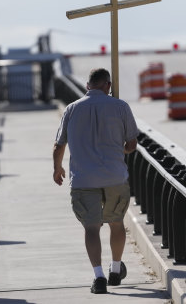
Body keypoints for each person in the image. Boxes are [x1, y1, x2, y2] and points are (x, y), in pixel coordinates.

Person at [53, 68, 138, 294]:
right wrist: (115, 151)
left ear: (88, 86)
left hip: (83, 178)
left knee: (91, 228)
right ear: (107, 85)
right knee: (116, 223)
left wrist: (57, 168)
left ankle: (99, 277)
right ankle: (116, 269)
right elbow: (131, 145)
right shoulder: (121, 107)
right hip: (114, 177)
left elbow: (59, 145)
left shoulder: (71, 109)